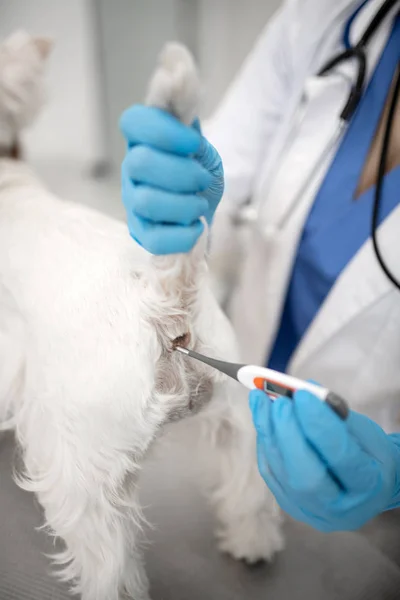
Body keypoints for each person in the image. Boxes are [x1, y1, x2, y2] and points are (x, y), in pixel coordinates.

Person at [119, 0, 400, 533]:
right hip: (239, 391)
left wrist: (395, 472)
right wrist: (183, 190)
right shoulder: (327, 16)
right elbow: (229, 157)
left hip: (367, 497)